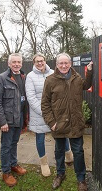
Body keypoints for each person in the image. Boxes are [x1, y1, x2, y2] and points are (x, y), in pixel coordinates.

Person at [41, 53, 93, 191]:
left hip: (75, 122)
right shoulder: (50, 80)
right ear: (56, 65)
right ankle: (60, 174)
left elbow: (86, 85)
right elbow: (45, 103)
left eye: (66, 63)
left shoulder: (77, 78)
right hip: (58, 124)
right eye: (61, 63)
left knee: (78, 152)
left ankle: (81, 179)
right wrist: (51, 122)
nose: (64, 66)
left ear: (70, 64)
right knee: (59, 151)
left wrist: (90, 71)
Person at [25, 53, 74, 177]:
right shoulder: (30, 77)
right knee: (40, 138)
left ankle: (68, 155)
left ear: (45, 61)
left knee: (62, 134)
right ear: (34, 63)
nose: (40, 63)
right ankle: (44, 163)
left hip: (56, 112)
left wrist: (56, 111)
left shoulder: (53, 72)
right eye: (37, 61)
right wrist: (45, 112)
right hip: (39, 114)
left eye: (42, 60)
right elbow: (31, 98)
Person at [0, 53, 28, 187]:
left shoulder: (24, 77)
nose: (17, 64)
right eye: (14, 62)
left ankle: (13, 165)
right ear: (9, 63)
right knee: (6, 146)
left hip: (19, 118)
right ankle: (6, 172)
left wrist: (25, 119)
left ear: (22, 63)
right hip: (7, 120)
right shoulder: (1, 78)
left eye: (19, 62)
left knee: (14, 143)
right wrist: (2, 121)